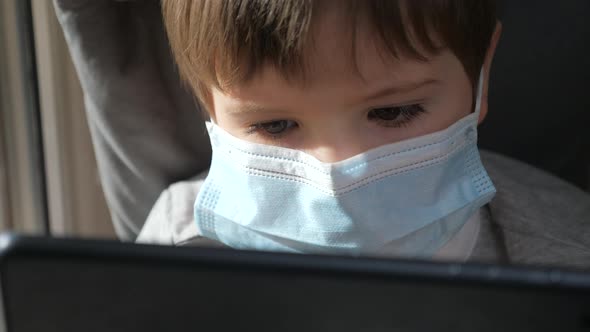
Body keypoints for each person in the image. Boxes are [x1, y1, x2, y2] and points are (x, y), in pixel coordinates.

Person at [134, 0, 589, 268]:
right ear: (208, 105)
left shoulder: (567, 257)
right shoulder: (176, 245)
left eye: (392, 112)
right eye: (274, 125)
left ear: (481, 75)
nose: (338, 172)